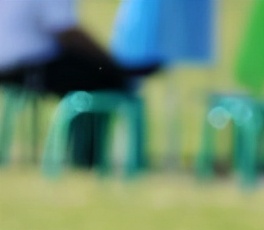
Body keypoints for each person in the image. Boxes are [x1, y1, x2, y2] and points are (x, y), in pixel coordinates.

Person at [0, 0, 160, 166]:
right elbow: (66, 33)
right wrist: (111, 63)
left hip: (9, 65)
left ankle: (85, 156)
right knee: (105, 79)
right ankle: (87, 160)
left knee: (96, 73)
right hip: (29, 65)